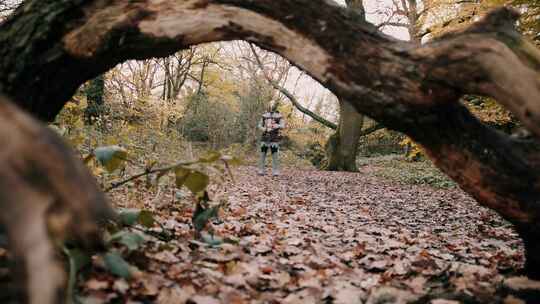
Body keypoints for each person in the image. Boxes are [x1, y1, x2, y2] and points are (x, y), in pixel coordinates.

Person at [258, 103, 285, 176]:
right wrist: (264, 129)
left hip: (274, 137)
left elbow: (283, 125)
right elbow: (259, 125)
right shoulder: (264, 115)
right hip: (265, 137)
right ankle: (261, 170)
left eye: (273, 106)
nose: (272, 108)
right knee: (262, 154)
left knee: (275, 155)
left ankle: (275, 171)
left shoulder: (279, 116)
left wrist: (277, 126)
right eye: (271, 106)